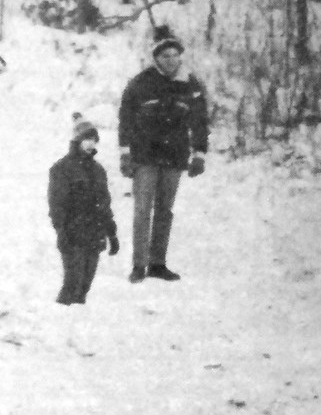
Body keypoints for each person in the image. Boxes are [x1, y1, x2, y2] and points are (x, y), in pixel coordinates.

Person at [118, 24, 209, 283]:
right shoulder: (140, 83)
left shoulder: (190, 84)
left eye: (174, 55)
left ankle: (158, 263)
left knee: (165, 210)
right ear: (156, 58)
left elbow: (200, 120)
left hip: (174, 156)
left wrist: (199, 153)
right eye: (164, 56)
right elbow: (125, 118)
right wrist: (125, 152)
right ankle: (139, 265)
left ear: (181, 56)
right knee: (142, 210)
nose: (171, 60)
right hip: (144, 154)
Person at [48, 114, 119, 305]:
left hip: (95, 234)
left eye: (94, 140)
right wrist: (61, 230)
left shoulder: (98, 170)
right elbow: (57, 204)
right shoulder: (61, 169)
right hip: (73, 235)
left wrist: (111, 233)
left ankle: (76, 325)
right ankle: (59, 318)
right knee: (72, 283)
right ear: (77, 140)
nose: (91, 144)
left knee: (85, 286)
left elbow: (104, 203)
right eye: (87, 139)